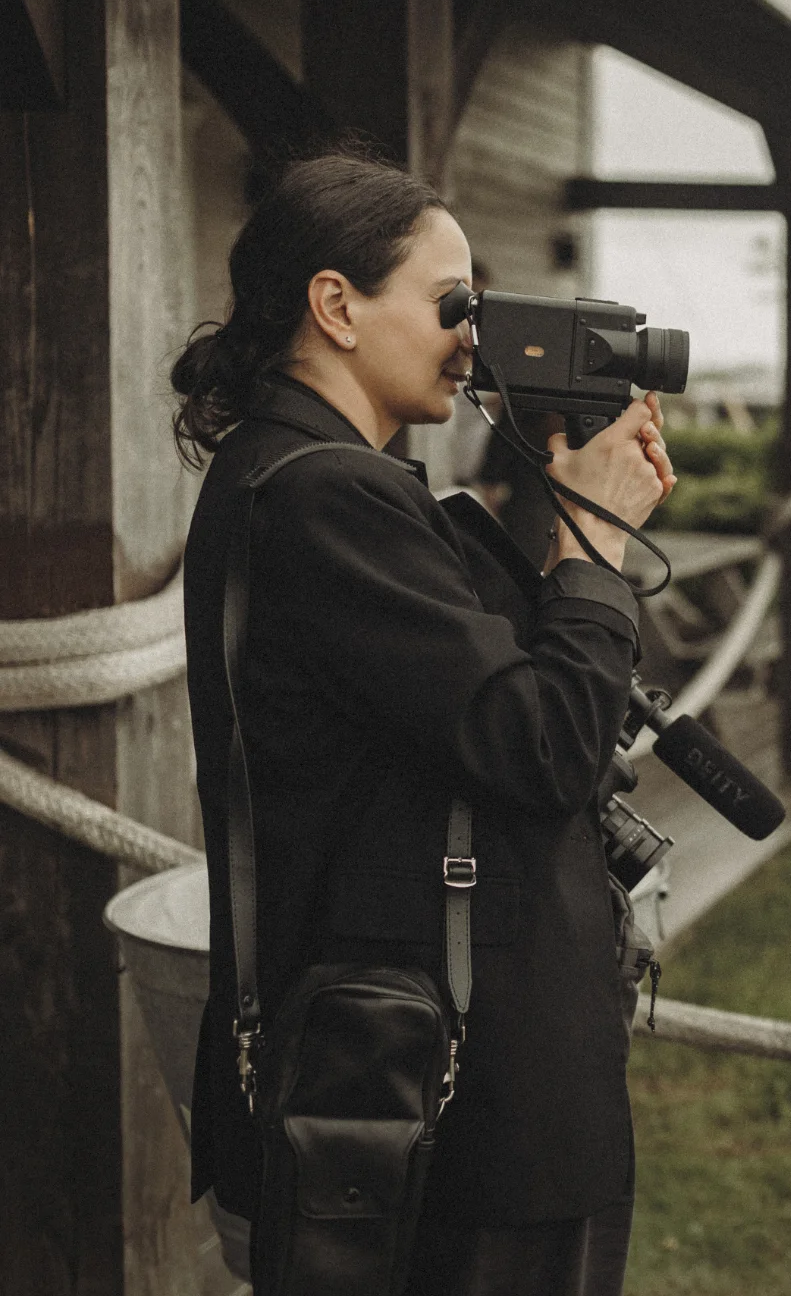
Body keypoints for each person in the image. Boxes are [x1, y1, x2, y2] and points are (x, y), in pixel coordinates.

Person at [170, 151, 674, 1295]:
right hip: (461, 1105)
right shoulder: (326, 492)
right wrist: (595, 541)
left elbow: (483, 710)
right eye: (452, 304)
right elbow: (543, 745)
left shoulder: (302, 478)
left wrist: (565, 506)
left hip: (429, 1078)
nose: (471, 337)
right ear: (336, 305)